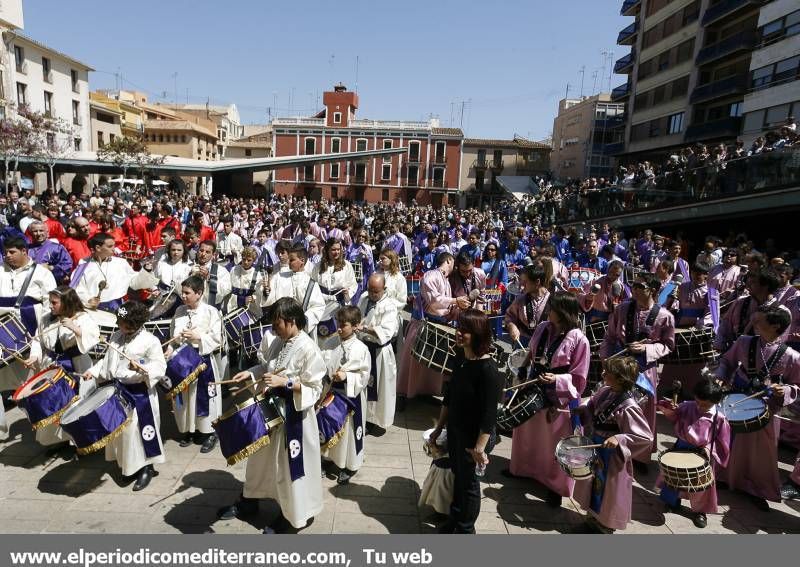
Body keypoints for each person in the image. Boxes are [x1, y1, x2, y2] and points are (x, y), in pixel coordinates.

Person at [221, 297, 325, 534]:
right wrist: (249, 373)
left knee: (289, 467)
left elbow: (315, 387)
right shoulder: (280, 341)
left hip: (294, 417)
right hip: (271, 412)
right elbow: (269, 367)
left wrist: (287, 383)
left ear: (291, 321)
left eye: (277, 323)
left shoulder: (308, 348)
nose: (273, 328)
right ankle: (250, 500)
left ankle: (292, 515)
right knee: (261, 461)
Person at [506, 292, 591, 508]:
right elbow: (532, 352)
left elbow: (579, 377)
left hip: (561, 394)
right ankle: (523, 469)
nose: (549, 311)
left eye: (553, 308)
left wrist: (557, 379)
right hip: (535, 384)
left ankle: (556, 486)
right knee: (528, 432)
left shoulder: (579, 339)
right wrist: (524, 367)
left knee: (554, 441)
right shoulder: (544, 326)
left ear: (562, 313)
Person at [714, 306, 800, 510]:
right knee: (729, 441)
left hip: (766, 408)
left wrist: (785, 390)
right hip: (736, 399)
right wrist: (720, 377)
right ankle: (723, 477)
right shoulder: (744, 342)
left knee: (760, 451)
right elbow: (727, 362)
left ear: (775, 326)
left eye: (759, 321)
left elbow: (797, 386)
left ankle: (756, 488)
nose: (754, 324)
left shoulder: (792, 357)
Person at [429, 309, 503, 534]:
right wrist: (438, 429)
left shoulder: (488, 370)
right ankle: (454, 519)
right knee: (458, 478)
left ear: (478, 334)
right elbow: (450, 398)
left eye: (465, 331)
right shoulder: (460, 357)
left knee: (469, 485)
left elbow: (489, 415)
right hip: (455, 431)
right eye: (458, 328)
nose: (459, 334)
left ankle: (465, 530)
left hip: (474, 438)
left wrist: (479, 449)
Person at [83, 301, 167, 491]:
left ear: (135, 323)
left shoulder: (150, 341)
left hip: (139, 393)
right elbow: (108, 360)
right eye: (119, 321)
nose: (119, 326)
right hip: (119, 390)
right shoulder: (116, 336)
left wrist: (143, 369)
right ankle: (129, 466)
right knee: (123, 432)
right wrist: (94, 371)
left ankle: (146, 467)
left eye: (123, 322)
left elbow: (159, 367)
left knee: (138, 432)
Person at [600, 272, 675, 473]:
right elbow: (609, 337)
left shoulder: (665, 315)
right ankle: (613, 445)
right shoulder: (623, 309)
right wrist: (606, 360)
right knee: (615, 406)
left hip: (644, 370)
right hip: (620, 366)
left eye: (640, 286)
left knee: (643, 411)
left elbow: (668, 344)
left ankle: (640, 456)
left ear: (652, 289)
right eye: (634, 285)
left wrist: (647, 349)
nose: (634, 289)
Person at [571, 357, 653, 533]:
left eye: (607, 373)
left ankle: (605, 525)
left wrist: (620, 439)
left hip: (612, 455)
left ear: (620, 379)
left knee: (608, 490)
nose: (602, 374)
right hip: (596, 446)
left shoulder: (629, 406)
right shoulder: (606, 390)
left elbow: (645, 437)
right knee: (592, 484)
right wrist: (583, 409)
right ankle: (593, 517)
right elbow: (592, 404)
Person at [23, 286, 100, 450]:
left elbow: (93, 337)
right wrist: (34, 356)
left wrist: (75, 327)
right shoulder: (46, 318)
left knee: (76, 403)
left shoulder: (83, 318)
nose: (50, 306)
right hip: (52, 365)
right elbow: (38, 340)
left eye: (54, 303)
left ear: (67, 302)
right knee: (54, 403)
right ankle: (58, 440)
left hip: (76, 365)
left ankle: (81, 442)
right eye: (50, 302)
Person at [0, 236, 57, 441]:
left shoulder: (42, 274)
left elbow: (51, 306)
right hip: (3, 337)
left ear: (24, 251)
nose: (7, 256)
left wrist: (41, 340)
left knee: (35, 384)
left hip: (31, 335)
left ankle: (48, 435)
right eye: (5, 252)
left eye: (12, 252)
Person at [657, 379, 731, 529]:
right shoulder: (688, 406)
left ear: (715, 402)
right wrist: (671, 408)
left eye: (705, 404)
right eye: (697, 401)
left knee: (701, 485)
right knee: (674, 477)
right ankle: (672, 502)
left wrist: (710, 448)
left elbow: (723, 442)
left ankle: (700, 511)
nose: (699, 406)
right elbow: (673, 416)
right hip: (682, 446)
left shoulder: (719, 418)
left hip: (703, 453)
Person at [168, 275, 225, 453]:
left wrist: (199, 337)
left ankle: (209, 433)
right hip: (183, 362)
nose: (183, 296)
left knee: (205, 399)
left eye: (187, 293)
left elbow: (218, 338)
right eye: (182, 292)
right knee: (185, 400)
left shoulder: (211, 312)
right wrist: (170, 347)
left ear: (199, 293)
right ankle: (190, 430)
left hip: (202, 361)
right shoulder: (179, 311)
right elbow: (172, 334)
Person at [319, 305, 371, 484]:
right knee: (329, 427)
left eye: (344, 325)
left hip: (350, 398)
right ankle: (328, 459)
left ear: (356, 325)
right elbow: (320, 365)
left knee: (348, 433)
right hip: (331, 395)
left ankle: (349, 465)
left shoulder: (361, 349)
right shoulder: (329, 343)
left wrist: (347, 376)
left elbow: (364, 376)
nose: (339, 328)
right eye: (338, 323)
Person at [357, 273, 399, 433]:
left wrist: (367, 328)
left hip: (379, 352)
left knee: (380, 389)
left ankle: (376, 422)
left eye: (376, 291)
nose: (373, 295)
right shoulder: (364, 298)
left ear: (384, 289)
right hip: (364, 348)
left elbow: (388, 331)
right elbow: (358, 315)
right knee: (364, 384)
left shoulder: (389, 305)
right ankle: (363, 417)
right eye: (370, 290)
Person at [263, 246, 325, 338]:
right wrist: (266, 292)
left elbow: (318, 306)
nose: (288, 263)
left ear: (302, 261)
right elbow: (269, 298)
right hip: (281, 328)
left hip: (302, 331)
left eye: (292, 260)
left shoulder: (310, 283)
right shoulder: (279, 277)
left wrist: (302, 322)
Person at [504, 264, 550, 345]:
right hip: (524, 343)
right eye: (521, 281)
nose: (521, 286)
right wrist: (512, 326)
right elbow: (509, 317)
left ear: (537, 282)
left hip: (547, 345)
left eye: (525, 282)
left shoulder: (553, 300)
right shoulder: (520, 300)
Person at [151, 239, 193, 319]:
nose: (176, 252)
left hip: (181, 299)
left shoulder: (188, 266)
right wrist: (155, 290)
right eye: (173, 250)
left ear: (184, 251)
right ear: (169, 251)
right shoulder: (161, 264)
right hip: (162, 299)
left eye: (179, 250)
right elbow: (154, 279)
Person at [190, 240, 232, 310]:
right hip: (190, 310)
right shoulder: (188, 267)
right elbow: (178, 289)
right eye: (201, 250)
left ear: (213, 255)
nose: (203, 254)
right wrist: (190, 275)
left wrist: (209, 278)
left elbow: (226, 290)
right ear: (197, 251)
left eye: (207, 252)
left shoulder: (221, 271)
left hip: (210, 310)